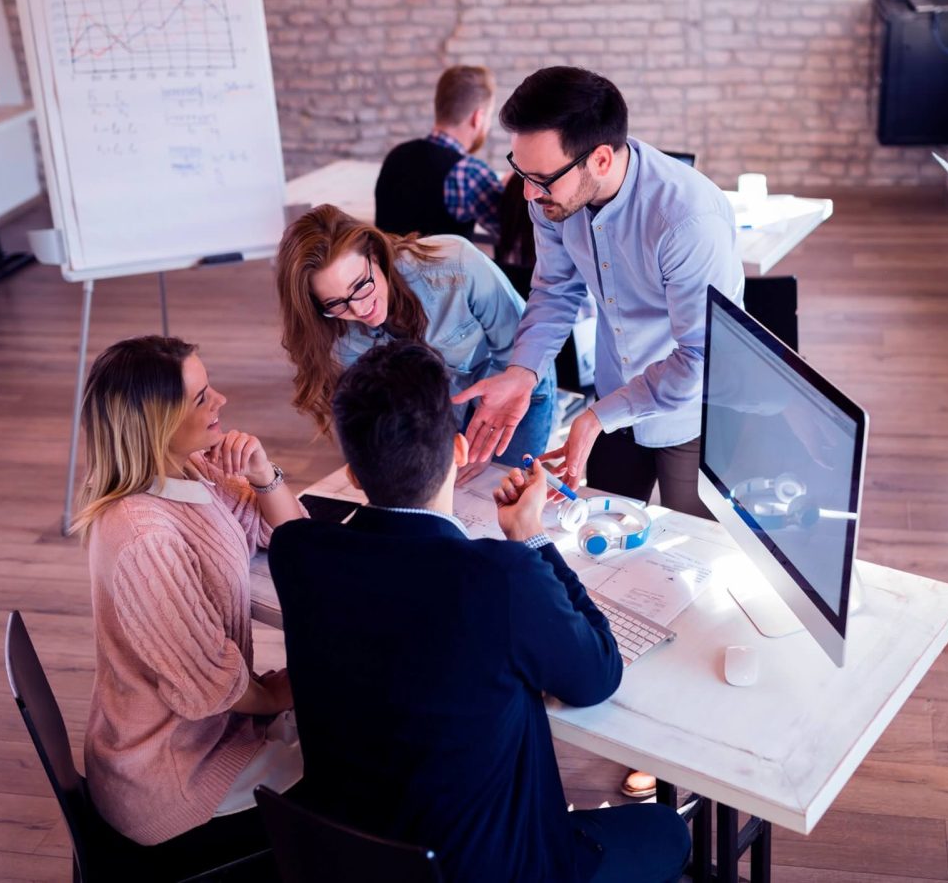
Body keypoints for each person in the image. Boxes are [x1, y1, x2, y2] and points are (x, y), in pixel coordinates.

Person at [267, 341, 691, 883]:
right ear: (461, 450)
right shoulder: (499, 575)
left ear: (352, 472)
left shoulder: (298, 552)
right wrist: (531, 539)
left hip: (352, 857)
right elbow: (597, 676)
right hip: (495, 869)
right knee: (666, 831)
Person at [455, 65, 744, 524]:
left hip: (692, 409)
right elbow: (555, 289)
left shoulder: (687, 221)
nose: (528, 193)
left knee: (693, 549)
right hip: (612, 392)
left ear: (601, 160)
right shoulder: (551, 196)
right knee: (599, 535)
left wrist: (595, 417)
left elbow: (700, 360)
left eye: (542, 178)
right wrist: (523, 370)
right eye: (520, 172)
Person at [71, 336, 303, 870]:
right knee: (357, 765)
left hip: (211, 733)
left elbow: (292, 537)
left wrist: (264, 475)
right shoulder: (142, 537)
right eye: (200, 398)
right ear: (156, 423)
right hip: (173, 778)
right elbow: (210, 684)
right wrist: (283, 692)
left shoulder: (190, 469)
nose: (219, 400)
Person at [275, 204, 556, 481]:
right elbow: (374, 409)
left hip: (515, 389)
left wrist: (485, 436)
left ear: (374, 254)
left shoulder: (456, 266)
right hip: (435, 411)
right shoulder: (334, 332)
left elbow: (521, 350)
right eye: (335, 303)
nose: (359, 310)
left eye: (361, 285)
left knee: (505, 493)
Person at [374, 65, 504, 239]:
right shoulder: (469, 172)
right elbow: (515, 233)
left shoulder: (395, 156)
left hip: (387, 266)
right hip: (446, 267)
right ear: (478, 118)